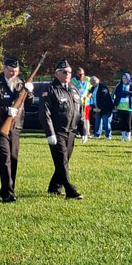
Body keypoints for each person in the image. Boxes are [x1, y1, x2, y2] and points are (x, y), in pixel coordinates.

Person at [0, 56, 34, 203]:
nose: (14, 74)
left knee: (14, 158)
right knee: (5, 158)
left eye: (16, 71)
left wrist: (28, 92)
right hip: (1, 126)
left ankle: (10, 187)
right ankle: (7, 192)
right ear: (4, 69)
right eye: (11, 71)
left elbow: (29, 103)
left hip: (16, 126)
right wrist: (5, 110)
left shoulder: (21, 83)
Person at [41, 60, 83, 199]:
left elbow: (79, 111)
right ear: (56, 73)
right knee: (62, 161)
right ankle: (71, 191)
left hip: (71, 131)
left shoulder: (73, 89)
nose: (68, 74)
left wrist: (83, 130)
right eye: (64, 72)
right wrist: (50, 133)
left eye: (70, 72)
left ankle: (54, 187)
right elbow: (44, 112)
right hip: (58, 131)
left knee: (63, 161)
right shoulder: (50, 89)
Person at [71, 67, 93, 143]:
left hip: (85, 102)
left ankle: (87, 132)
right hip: (77, 102)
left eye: (82, 74)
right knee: (77, 118)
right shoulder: (73, 80)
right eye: (79, 74)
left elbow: (92, 89)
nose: (81, 76)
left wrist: (89, 95)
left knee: (86, 118)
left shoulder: (88, 79)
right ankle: (78, 132)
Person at [113, 73, 132, 141]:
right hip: (120, 107)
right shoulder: (119, 86)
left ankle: (128, 136)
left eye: (125, 78)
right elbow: (116, 94)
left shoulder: (131, 85)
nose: (124, 80)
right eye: (123, 78)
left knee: (128, 122)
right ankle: (123, 136)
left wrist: (126, 92)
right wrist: (116, 104)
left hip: (128, 107)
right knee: (122, 122)